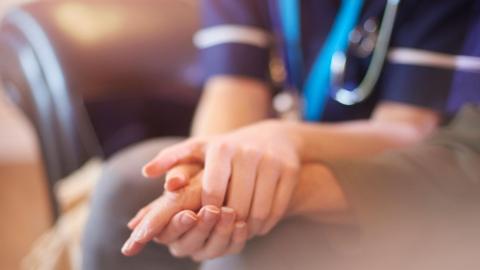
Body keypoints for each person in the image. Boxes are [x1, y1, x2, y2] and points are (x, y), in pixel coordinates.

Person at [82, 0, 480, 269]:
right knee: (124, 184)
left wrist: (285, 139)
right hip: (286, 140)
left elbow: (410, 128)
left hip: (396, 166)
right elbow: (234, 84)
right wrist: (207, 177)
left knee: (248, 251)